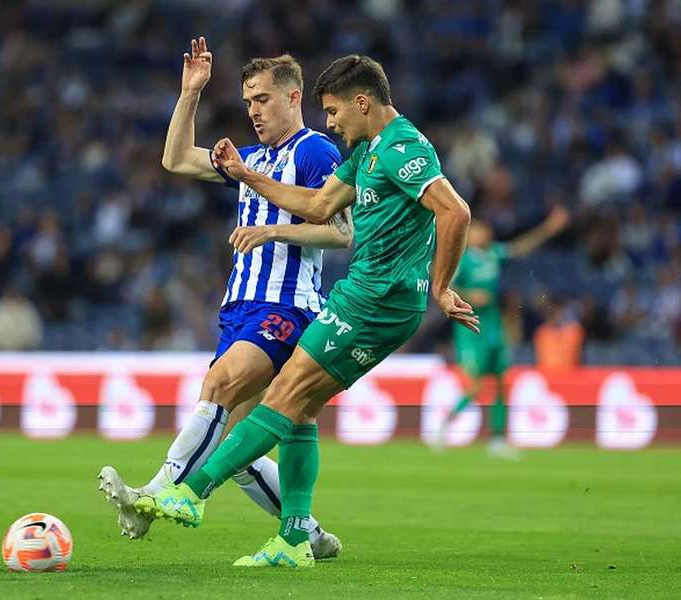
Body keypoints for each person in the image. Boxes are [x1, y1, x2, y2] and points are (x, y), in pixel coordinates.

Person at [132, 54, 478, 568]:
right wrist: (244, 171)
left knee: (287, 390)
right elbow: (317, 206)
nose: (331, 122)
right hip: (362, 291)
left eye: (335, 110)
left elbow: (455, 211)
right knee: (299, 409)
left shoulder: (401, 146)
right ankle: (294, 539)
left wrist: (441, 286)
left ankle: (190, 489)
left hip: (378, 297)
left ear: (363, 102)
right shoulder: (364, 151)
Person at [97, 37, 350, 559]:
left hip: (286, 308)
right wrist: (190, 92)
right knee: (239, 443)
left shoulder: (314, 151)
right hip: (240, 310)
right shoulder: (251, 159)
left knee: (220, 382)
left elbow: (342, 231)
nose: (253, 110)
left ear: (293, 96)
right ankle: (308, 532)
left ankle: (158, 493)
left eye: (261, 99)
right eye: (247, 102)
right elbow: (175, 160)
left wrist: (273, 232)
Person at [437, 207, 571, 458]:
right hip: (470, 328)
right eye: (476, 230)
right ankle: (444, 427)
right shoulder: (462, 259)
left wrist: (548, 228)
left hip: (494, 328)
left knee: (501, 383)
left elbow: (520, 247)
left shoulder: (493, 254)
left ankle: (497, 441)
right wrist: (469, 295)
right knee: (475, 385)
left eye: (484, 230)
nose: (481, 234)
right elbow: (445, 288)